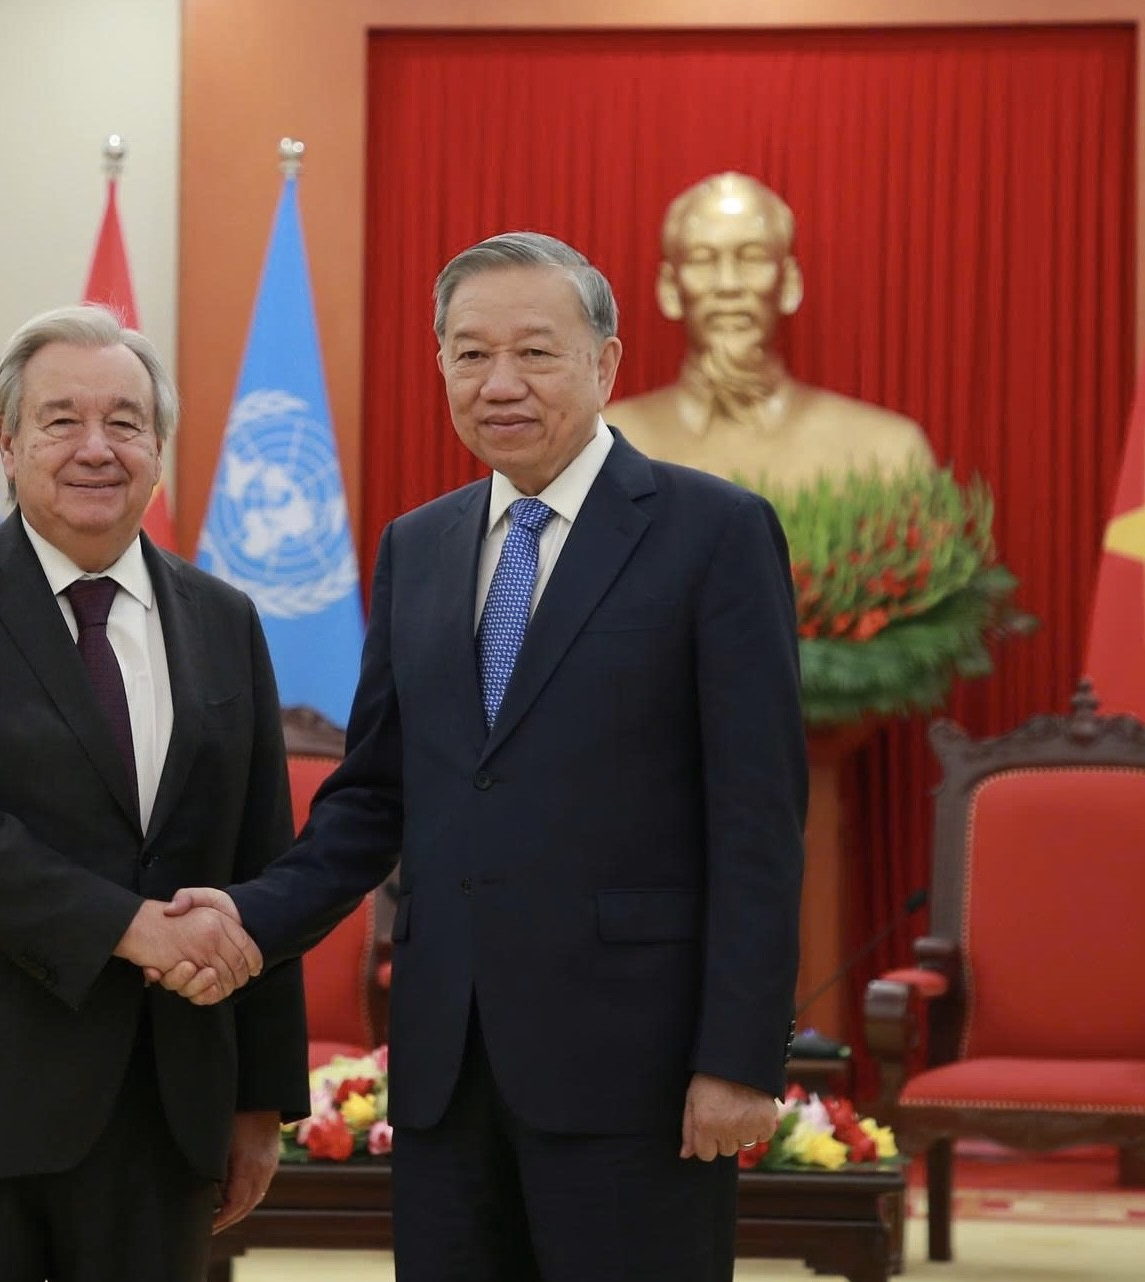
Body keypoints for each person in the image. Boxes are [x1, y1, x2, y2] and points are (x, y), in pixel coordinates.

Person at [161, 233, 807, 1281]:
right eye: (469, 354)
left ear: (604, 362)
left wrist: (737, 1058)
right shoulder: (418, 546)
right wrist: (246, 917)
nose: (499, 382)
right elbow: (372, 800)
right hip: (447, 1071)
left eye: (534, 353)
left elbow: (758, 818)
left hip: (634, 1076)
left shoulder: (713, 533)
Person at [0, 305, 308, 1282]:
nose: (97, 447)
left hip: (162, 1103)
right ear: (8, 444)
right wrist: (130, 929)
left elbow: (260, 859)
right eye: (61, 421)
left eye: (125, 422)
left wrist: (260, 1099)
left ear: (158, 448)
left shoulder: (224, 620)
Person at [605, 172, 936, 491]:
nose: (728, 284)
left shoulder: (886, 453)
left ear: (789, 283)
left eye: (753, 258)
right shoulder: (601, 449)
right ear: (669, 288)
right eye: (702, 260)